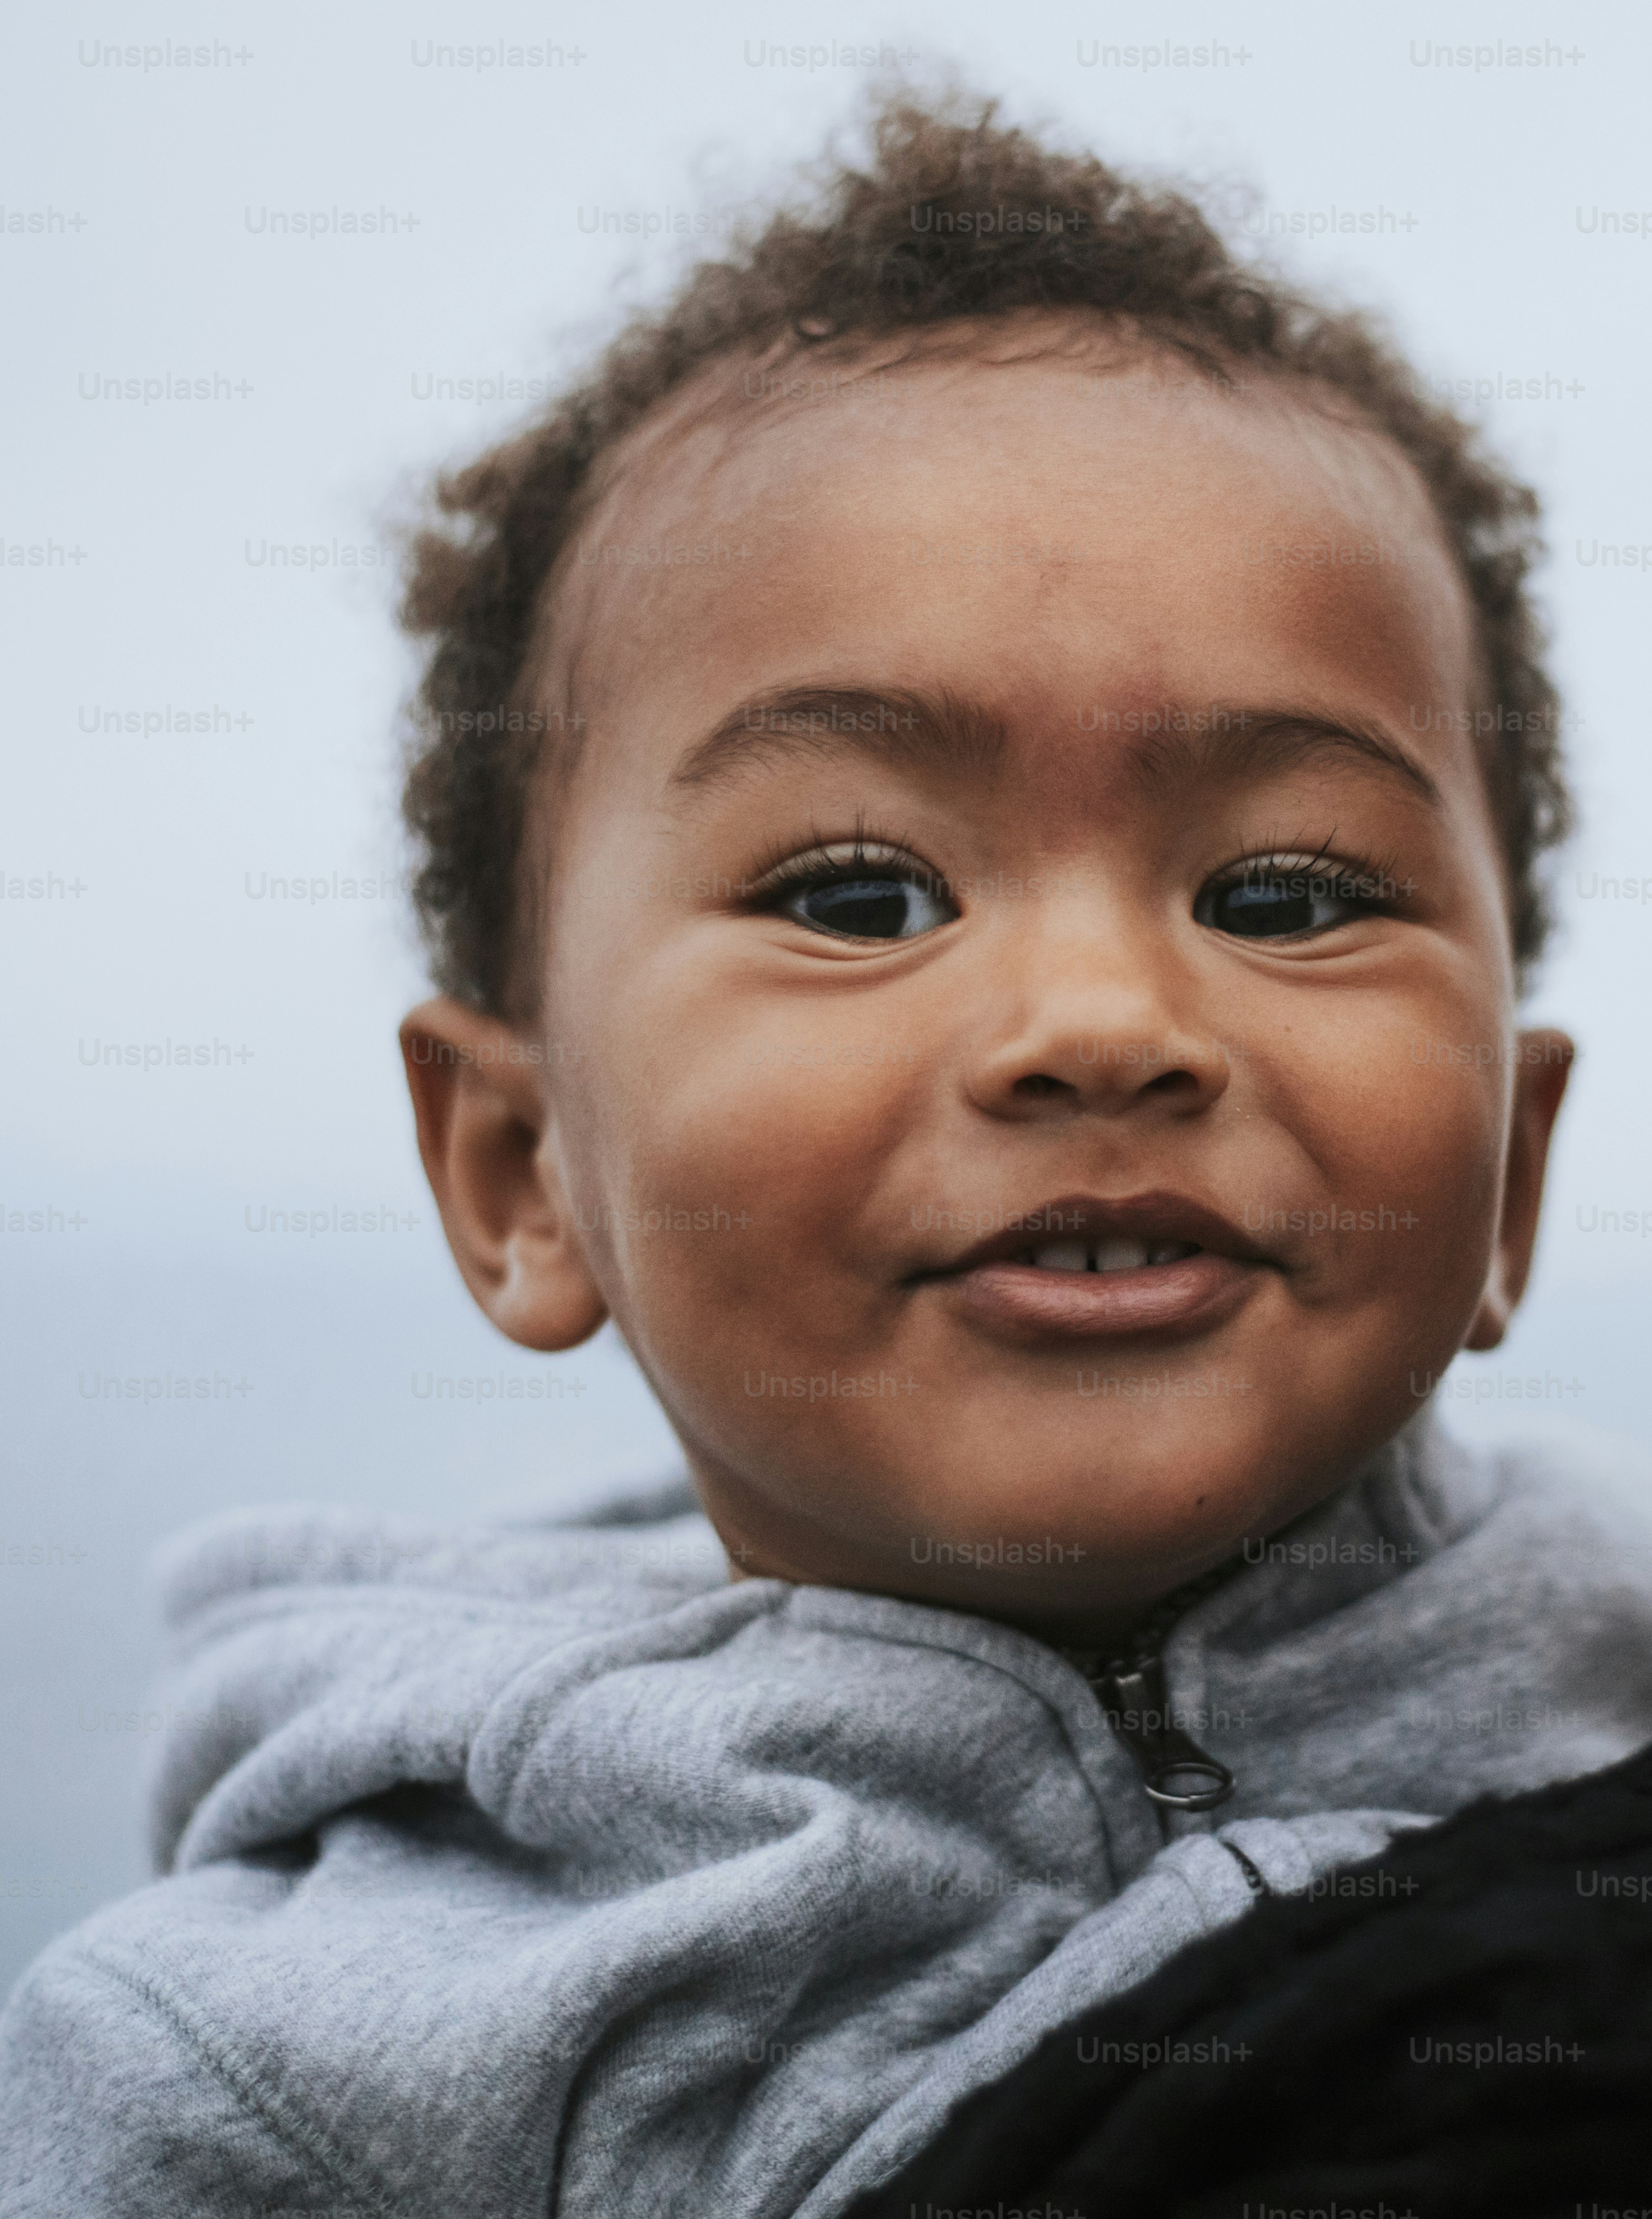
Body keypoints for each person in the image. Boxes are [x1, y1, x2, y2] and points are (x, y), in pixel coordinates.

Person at [5, 91, 1647, 2219]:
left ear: (1511, 1175)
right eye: (864, 894)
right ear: (518, 1170)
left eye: (1286, 896)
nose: (1101, 1026)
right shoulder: (278, 2058)